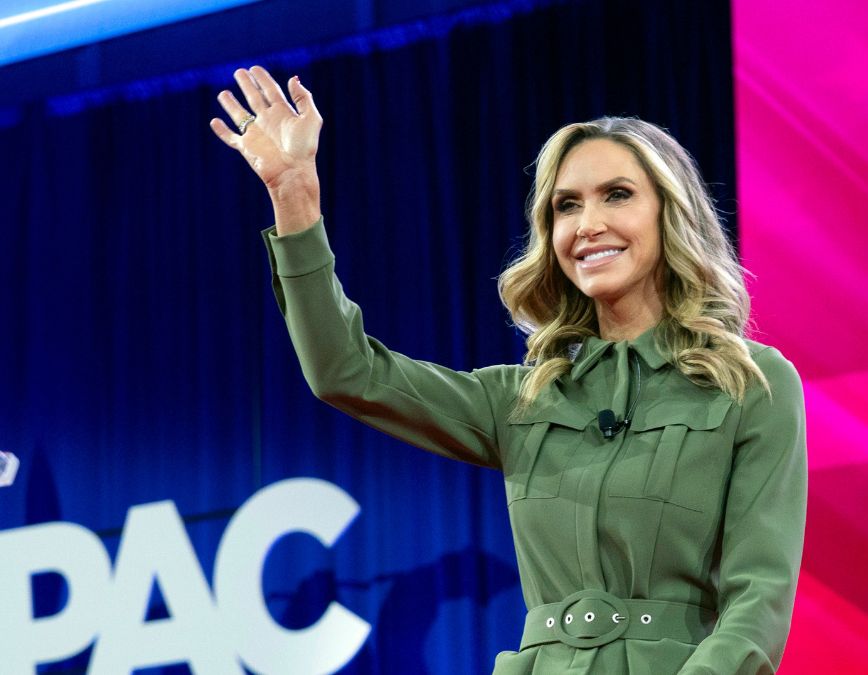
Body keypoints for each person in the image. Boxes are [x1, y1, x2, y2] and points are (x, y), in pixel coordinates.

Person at [211, 65, 807, 674]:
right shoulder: (523, 398)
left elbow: (758, 604)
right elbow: (347, 372)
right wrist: (295, 198)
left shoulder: (749, 385)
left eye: (617, 195)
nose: (588, 225)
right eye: (566, 206)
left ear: (670, 213)